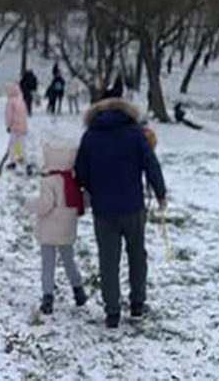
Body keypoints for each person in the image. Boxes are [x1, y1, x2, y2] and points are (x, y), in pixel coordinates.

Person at [75, 97, 167, 329]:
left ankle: (112, 312)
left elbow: (81, 171)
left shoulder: (90, 136)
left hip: (104, 208)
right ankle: (137, 305)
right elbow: (150, 163)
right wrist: (160, 193)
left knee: (108, 259)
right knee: (137, 254)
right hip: (133, 206)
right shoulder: (135, 133)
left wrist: (90, 188)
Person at [25, 140, 88, 315]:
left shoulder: (49, 182)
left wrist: (29, 203)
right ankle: (78, 291)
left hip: (48, 231)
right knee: (69, 261)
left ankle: (47, 297)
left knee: (48, 264)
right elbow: (83, 201)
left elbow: (45, 205)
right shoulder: (74, 181)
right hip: (67, 229)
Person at [5, 82, 30, 173]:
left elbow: (9, 115)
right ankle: (24, 159)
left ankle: (13, 161)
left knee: (13, 144)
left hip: (15, 126)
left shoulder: (10, 102)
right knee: (22, 144)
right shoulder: (20, 100)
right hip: (23, 125)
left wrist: (8, 125)